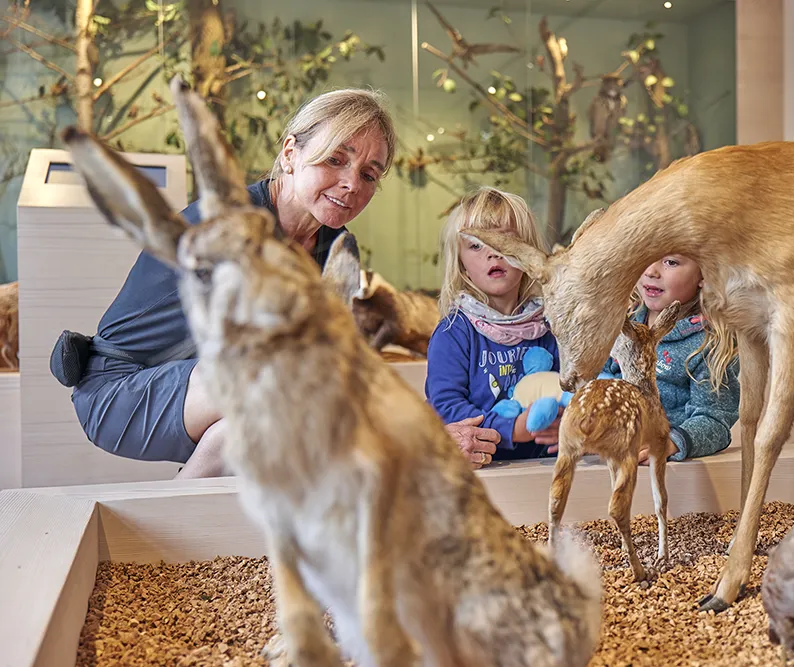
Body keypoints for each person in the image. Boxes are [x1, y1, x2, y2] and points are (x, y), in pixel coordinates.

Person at [67, 87, 498, 478]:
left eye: (369, 174)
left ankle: (178, 517)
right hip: (119, 391)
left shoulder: (333, 246)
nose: (351, 183)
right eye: (335, 159)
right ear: (290, 153)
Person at [425, 186, 562, 467]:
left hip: (542, 471)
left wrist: (566, 422)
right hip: (483, 471)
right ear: (462, 264)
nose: (493, 253)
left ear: (528, 254)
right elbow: (446, 406)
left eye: (505, 241)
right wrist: (511, 429)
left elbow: (569, 386)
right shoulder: (453, 332)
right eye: (476, 245)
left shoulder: (549, 325)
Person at [603, 254, 740, 463]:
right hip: (606, 457)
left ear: (705, 272)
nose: (651, 271)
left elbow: (714, 419)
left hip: (667, 471)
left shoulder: (708, 343)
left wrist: (670, 443)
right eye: (646, 255)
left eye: (671, 262)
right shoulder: (621, 322)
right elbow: (599, 381)